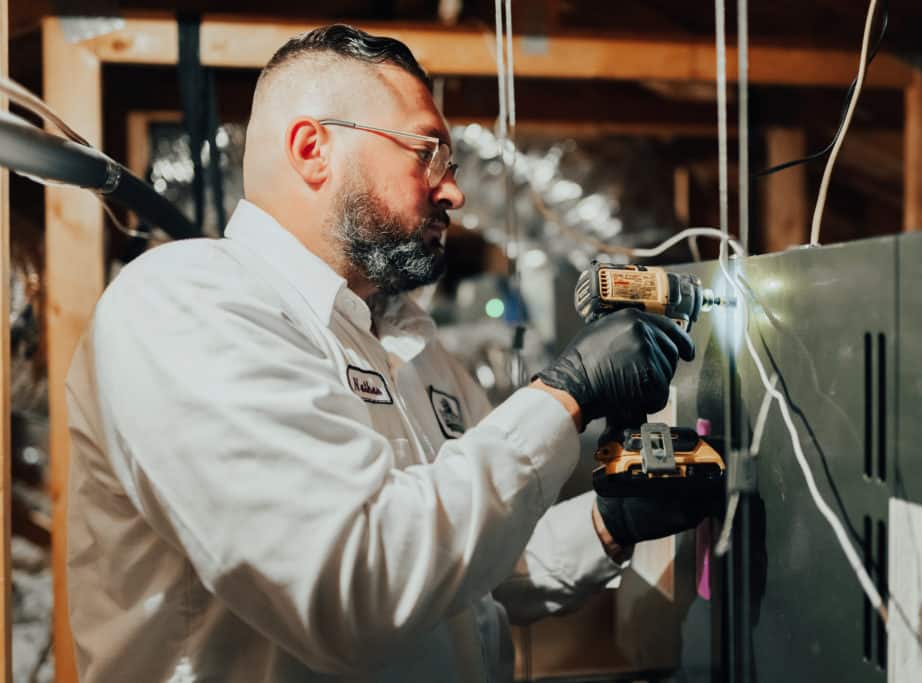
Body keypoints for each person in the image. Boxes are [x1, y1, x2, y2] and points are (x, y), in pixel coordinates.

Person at [64, 25, 711, 683]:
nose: (453, 191)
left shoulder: (414, 347)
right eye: (428, 152)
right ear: (313, 149)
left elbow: (463, 575)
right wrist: (563, 394)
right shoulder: (188, 302)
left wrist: (606, 523)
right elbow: (360, 584)